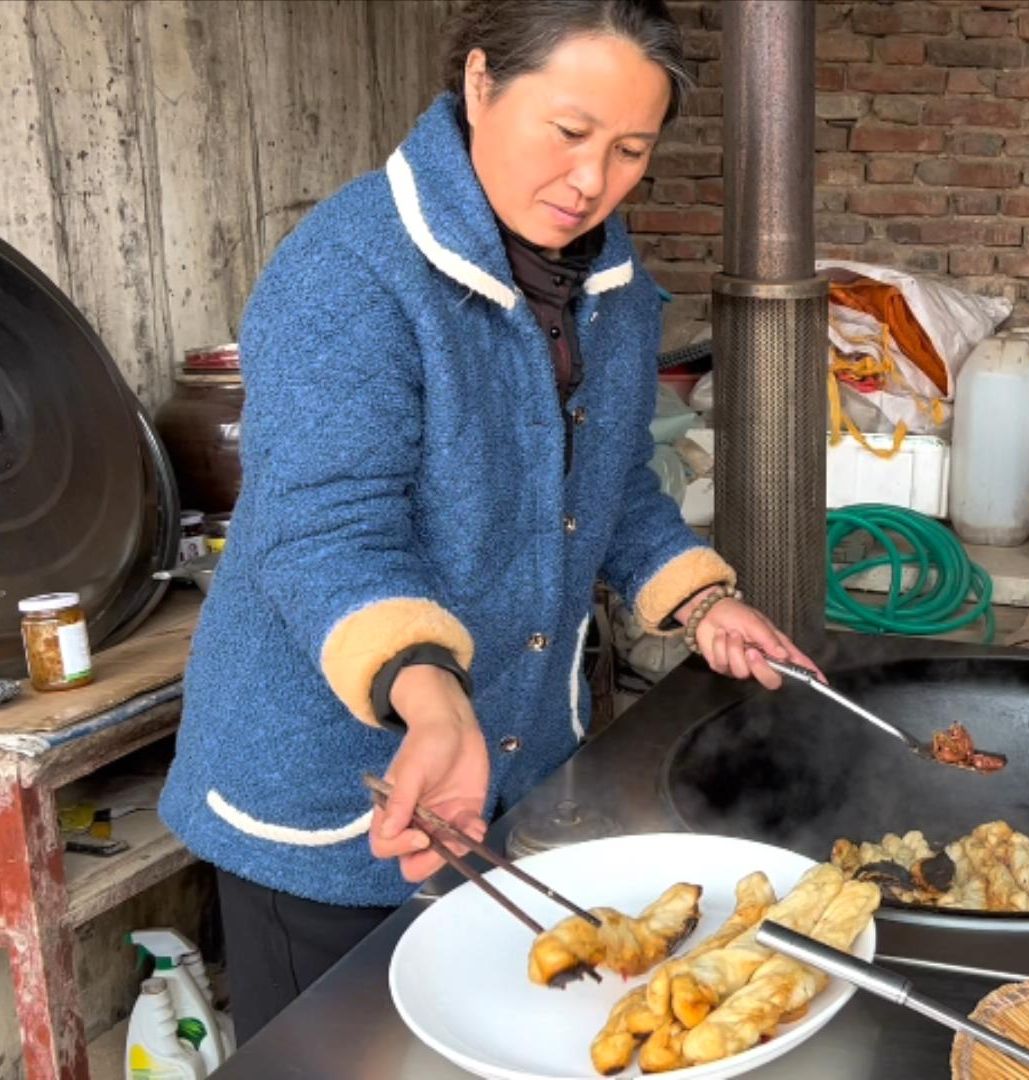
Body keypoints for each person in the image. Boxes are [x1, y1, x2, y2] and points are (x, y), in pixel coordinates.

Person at [159, 0, 816, 1043]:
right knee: (334, 1053)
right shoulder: (352, 271)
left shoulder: (608, 282)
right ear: (478, 86)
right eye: (567, 132)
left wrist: (700, 597)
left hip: (500, 770)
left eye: (630, 149)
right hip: (338, 787)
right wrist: (432, 702)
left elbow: (604, 482)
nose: (592, 180)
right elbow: (325, 525)